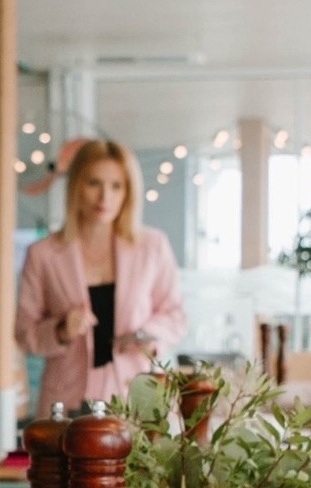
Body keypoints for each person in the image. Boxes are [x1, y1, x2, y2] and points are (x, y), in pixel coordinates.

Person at [16, 138, 187, 409]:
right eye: (94, 183)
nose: (104, 197)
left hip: (138, 401)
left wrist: (147, 334)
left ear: (128, 192)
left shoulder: (152, 246)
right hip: (67, 404)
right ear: (76, 187)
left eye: (116, 186)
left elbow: (175, 315)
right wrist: (61, 330)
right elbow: (25, 334)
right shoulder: (43, 254)